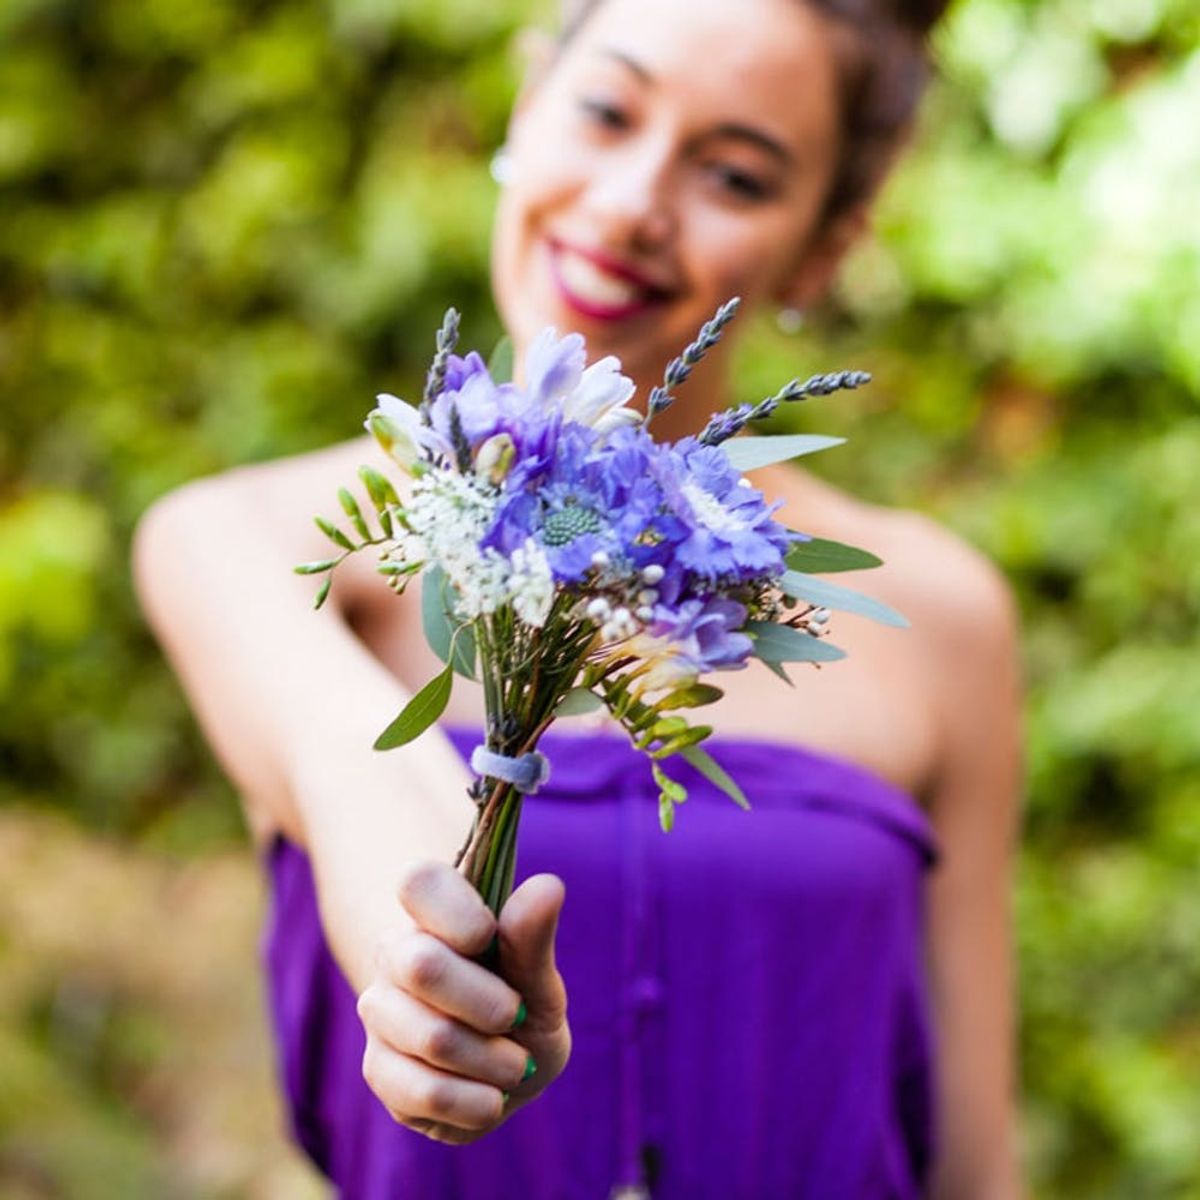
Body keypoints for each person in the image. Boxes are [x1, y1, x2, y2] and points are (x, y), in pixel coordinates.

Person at [133, 0, 1025, 1195]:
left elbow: (974, 1164)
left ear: (822, 247)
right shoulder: (254, 543)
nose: (630, 204)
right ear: (527, 103)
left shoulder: (939, 620)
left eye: (736, 175)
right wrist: (435, 981)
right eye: (607, 111)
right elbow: (354, 771)